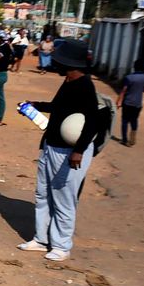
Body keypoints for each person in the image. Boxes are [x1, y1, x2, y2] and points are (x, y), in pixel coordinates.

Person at [17, 39, 101, 261]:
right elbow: (58, 108)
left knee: (64, 198)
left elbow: (93, 121)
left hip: (70, 152)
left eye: (59, 59)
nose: (54, 62)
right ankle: (41, 239)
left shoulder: (85, 86)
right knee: (43, 194)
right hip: (51, 146)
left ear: (71, 63)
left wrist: (79, 151)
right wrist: (35, 105)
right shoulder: (68, 80)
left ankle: (62, 246)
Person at [118, 59, 144, 146]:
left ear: (134, 67)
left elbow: (123, 90)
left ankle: (124, 140)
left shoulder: (129, 77)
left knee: (124, 121)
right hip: (137, 104)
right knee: (134, 120)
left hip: (128, 102)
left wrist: (119, 101)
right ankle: (132, 139)